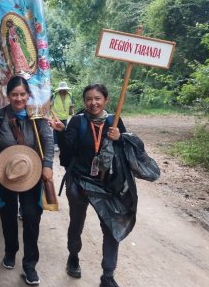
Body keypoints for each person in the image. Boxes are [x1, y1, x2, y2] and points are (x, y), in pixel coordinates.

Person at [50, 84, 127, 287]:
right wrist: (60, 133)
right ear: (84, 102)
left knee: (111, 228)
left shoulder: (114, 121)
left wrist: (119, 139)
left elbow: (126, 153)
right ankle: (73, 256)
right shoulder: (77, 122)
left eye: (98, 98)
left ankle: (108, 275)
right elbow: (66, 155)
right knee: (77, 223)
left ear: (106, 100)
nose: (93, 103)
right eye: (89, 99)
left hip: (106, 185)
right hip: (79, 182)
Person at [0, 76, 54, 286]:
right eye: (14, 94)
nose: (19, 98)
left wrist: (47, 164)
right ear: (7, 95)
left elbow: (48, 140)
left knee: (31, 217)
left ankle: (30, 265)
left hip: (32, 175)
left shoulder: (37, 115)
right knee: (8, 215)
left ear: (28, 95)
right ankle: (10, 252)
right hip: (6, 175)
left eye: (22, 94)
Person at [51, 81, 75, 150]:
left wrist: (72, 113)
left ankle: (61, 143)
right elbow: (49, 104)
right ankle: (55, 144)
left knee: (63, 130)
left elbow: (72, 105)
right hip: (56, 116)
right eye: (62, 89)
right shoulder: (54, 95)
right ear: (59, 89)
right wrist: (52, 113)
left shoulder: (70, 95)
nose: (63, 91)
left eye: (64, 89)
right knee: (55, 130)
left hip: (65, 116)